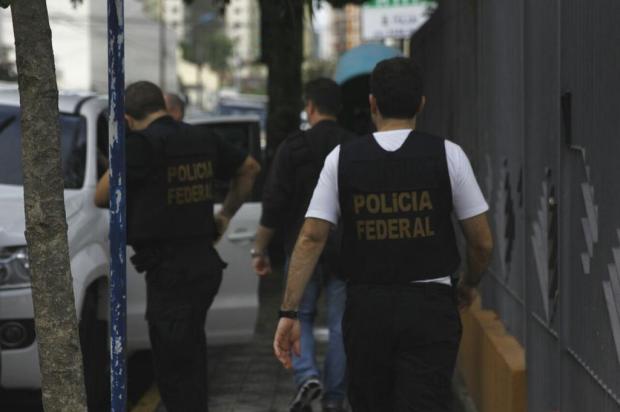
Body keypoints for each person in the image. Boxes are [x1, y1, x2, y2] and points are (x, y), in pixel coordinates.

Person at [273, 57, 493, 411]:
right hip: (430, 308)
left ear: (373, 103)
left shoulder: (341, 159)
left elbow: (311, 237)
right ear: (421, 102)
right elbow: (481, 241)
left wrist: (289, 311)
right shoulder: (448, 155)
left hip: (367, 307)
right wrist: (467, 283)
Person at [95, 81, 260, 412]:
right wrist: (225, 214)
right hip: (203, 265)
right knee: (191, 359)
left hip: (170, 272)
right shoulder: (201, 137)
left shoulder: (140, 145)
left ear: (128, 119)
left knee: (175, 373)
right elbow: (249, 168)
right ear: (163, 106)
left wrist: (119, 148)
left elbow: (101, 195)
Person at [253, 78, 355, 412]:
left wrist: (260, 248)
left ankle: (307, 375)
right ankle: (335, 398)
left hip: (303, 248)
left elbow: (273, 202)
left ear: (309, 106)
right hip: (345, 247)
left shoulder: (292, 147)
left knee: (301, 314)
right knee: (342, 324)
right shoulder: (354, 146)